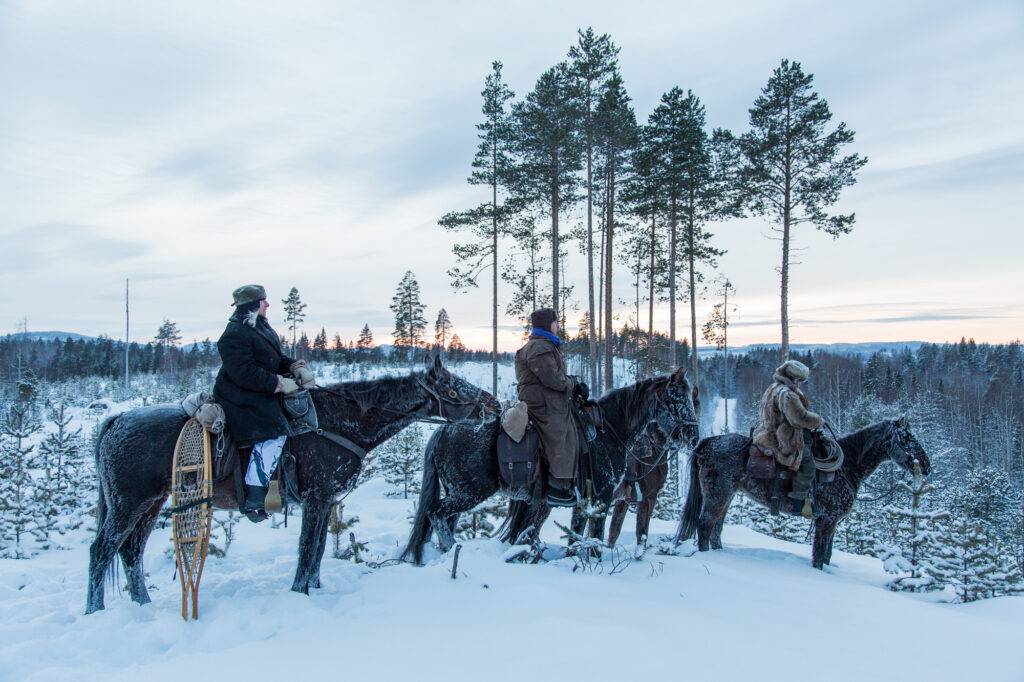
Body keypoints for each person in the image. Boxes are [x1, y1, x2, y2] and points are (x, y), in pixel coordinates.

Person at [213, 284, 316, 521]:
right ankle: (255, 496)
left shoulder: (260, 327)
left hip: (257, 390)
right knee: (273, 433)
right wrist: (278, 384)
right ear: (253, 305)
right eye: (263, 301)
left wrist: (294, 367)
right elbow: (244, 373)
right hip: (238, 397)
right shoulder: (233, 334)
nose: (267, 304)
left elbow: (274, 358)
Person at [514, 308, 587, 507]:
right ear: (548, 324)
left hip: (545, 399)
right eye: (555, 323)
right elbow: (553, 379)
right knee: (562, 433)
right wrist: (572, 385)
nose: (558, 326)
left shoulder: (544, 345)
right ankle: (558, 486)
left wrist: (573, 382)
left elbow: (555, 377)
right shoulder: (540, 348)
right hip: (542, 404)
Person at [752, 359, 823, 518]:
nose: (801, 384)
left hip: (768, 432)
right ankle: (798, 505)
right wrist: (818, 420)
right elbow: (799, 418)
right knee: (807, 464)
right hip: (783, 438)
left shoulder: (774, 387)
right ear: (795, 379)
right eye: (800, 381)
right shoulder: (787, 394)